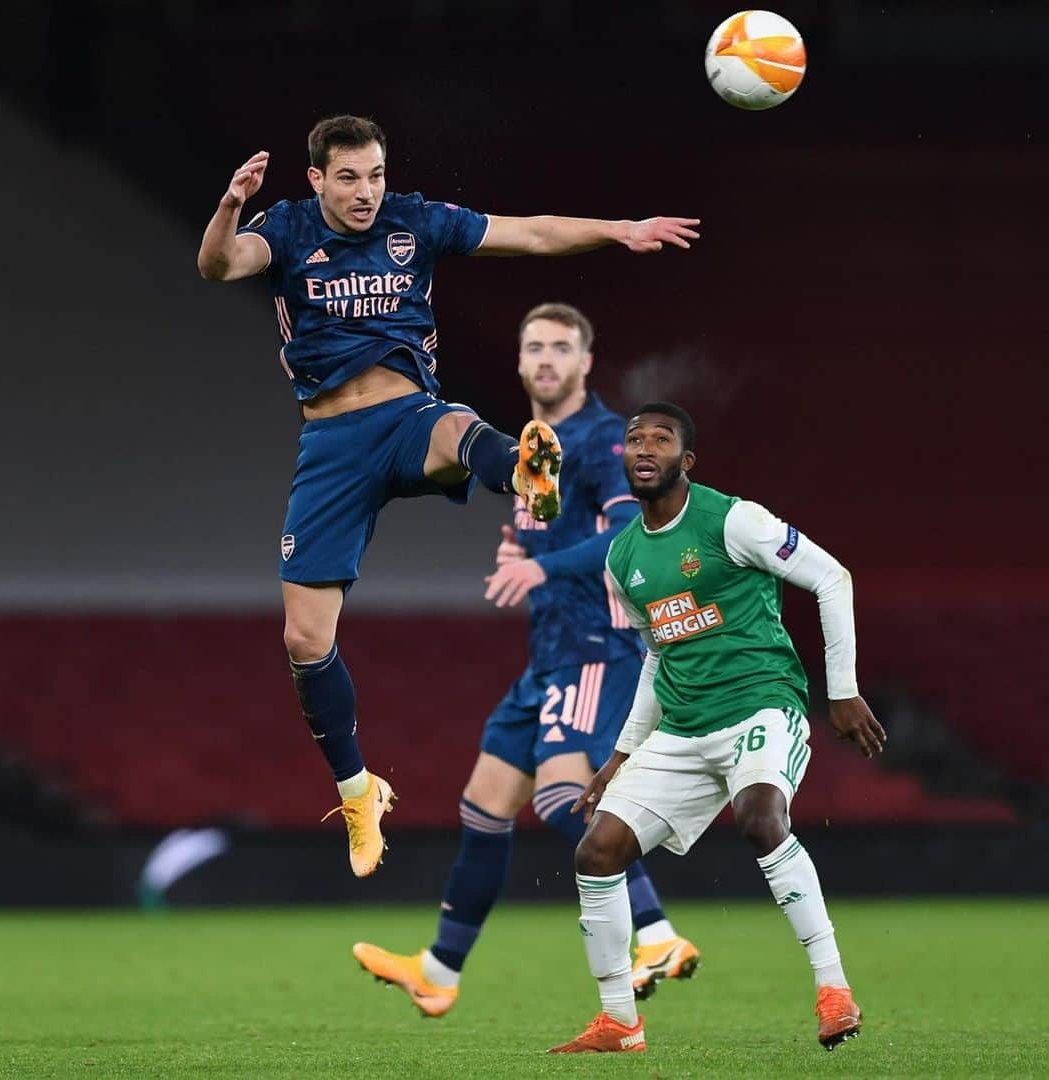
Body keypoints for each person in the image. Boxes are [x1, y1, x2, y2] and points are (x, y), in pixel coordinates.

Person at [196, 116, 701, 878]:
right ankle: (359, 789)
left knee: (454, 428)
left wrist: (620, 229)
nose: (367, 193)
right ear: (316, 180)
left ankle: (523, 464)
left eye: (375, 175)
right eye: (349, 179)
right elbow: (219, 265)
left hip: (407, 416)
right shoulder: (288, 229)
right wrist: (232, 204)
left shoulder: (415, 220)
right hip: (332, 446)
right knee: (305, 640)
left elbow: (529, 234)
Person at [352, 305, 699, 1014]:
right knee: (484, 806)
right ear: (518, 361)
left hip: (594, 649)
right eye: (534, 346)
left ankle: (657, 933)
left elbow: (624, 541)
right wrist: (525, 551)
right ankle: (439, 973)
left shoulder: (606, 441)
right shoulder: (528, 449)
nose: (545, 358)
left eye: (560, 347)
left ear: (585, 362)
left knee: (560, 799)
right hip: (546, 657)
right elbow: (545, 534)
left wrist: (541, 569)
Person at [547, 402, 887, 1054]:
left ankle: (833, 989)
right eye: (634, 439)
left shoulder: (736, 520)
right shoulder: (623, 559)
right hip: (681, 725)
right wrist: (622, 754)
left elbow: (831, 578)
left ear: (686, 459)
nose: (644, 448)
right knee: (595, 853)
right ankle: (620, 1022)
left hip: (760, 705)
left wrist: (840, 693)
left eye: (661, 439)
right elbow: (657, 654)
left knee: (761, 818)